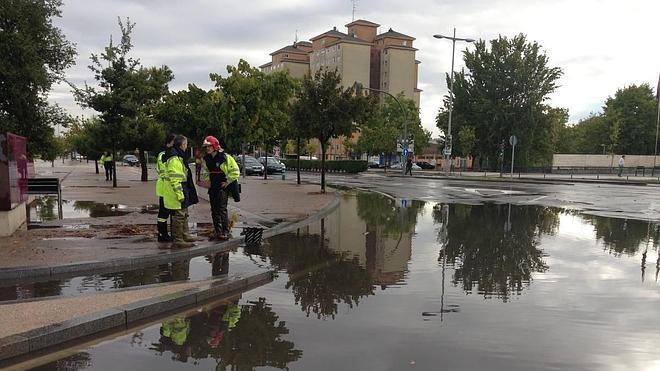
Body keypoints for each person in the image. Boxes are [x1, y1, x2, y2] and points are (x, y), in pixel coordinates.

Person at [162, 135, 199, 248]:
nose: (186, 146)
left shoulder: (178, 157)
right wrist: (179, 194)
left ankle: (184, 235)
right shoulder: (174, 158)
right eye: (186, 144)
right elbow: (174, 178)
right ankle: (178, 240)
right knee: (179, 216)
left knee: (184, 214)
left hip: (182, 189)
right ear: (182, 145)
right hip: (177, 192)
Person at [201, 136, 240, 241]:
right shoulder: (206, 159)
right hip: (213, 187)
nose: (207, 148)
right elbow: (205, 172)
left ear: (214, 146)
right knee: (214, 210)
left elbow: (235, 171)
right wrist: (207, 181)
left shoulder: (225, 157)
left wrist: (228, 181)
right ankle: (218, 231)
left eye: (209, 146)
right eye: (206, 147)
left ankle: (225, 231)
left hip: (223, 187)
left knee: (222, 209)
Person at [156, 134, 175, 242]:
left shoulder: (166, 153)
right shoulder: (164, 154)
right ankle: (162, 234)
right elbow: (165, 171)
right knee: (163, 213)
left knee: (168, 212)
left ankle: (166, 234)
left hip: (167, 187)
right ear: (171, 142)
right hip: (165, 188)